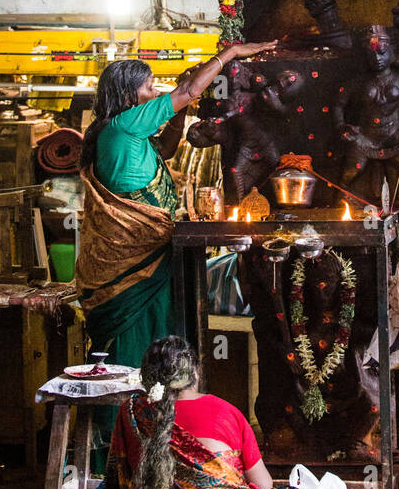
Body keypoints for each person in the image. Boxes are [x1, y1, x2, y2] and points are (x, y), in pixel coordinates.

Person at [76, 41, 275, 371]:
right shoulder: (124, 125)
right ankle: (120, 417)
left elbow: (168, 148)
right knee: (131, 345)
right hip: (132, 258)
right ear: (127, 96)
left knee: (155, 337)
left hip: (150, 253)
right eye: (148, 87)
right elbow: (187, 89)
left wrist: (180, 108)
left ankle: (155, 410)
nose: (154, 94)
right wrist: (232, 53)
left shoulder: (127, 134)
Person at [97, 337, 318, 489]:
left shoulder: (132, 413)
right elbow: (265, 486)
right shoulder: (227, 412)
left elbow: (116, 488)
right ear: (194, 373)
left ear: (149, 378)